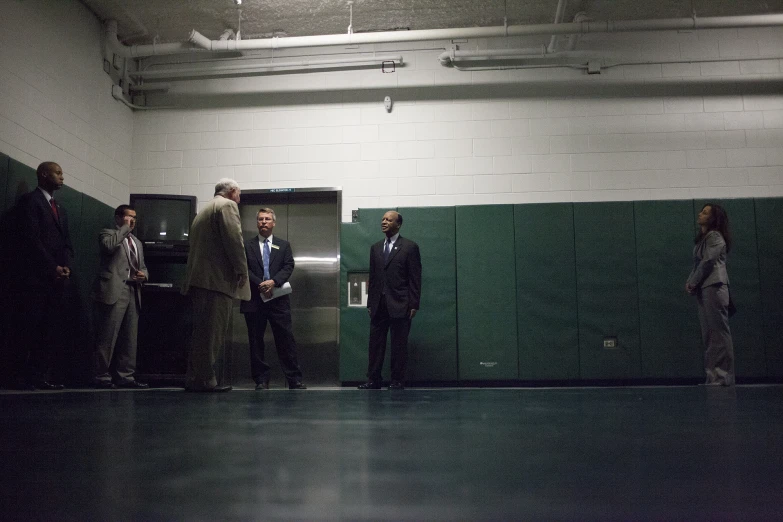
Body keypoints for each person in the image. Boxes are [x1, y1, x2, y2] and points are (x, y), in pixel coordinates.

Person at [5, 162, 73, 390]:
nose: (62, 177)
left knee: (48, 330)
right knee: (28, 327)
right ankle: (18, 377)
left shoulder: (60, 208)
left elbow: (66, 242)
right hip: (34, 279)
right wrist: (52, 267)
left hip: (55, 280)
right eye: (58, 173)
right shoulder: (30, 202)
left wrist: (65, 266)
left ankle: (38, 376)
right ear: (44, 175)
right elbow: (31, 240)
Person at [181, 178, 250, 392]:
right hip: (216, 281)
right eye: (238, 194)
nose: (239, 199)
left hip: (199, 280)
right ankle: (206, 379)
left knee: (200, 332)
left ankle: (193, 377)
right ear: (231, 192)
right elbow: (234, 240)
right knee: (212, 333)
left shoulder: (204, 210)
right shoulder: (227, 206)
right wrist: (241, 270)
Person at [240, 208, 306, 390]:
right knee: (255, 341)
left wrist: (273, 282)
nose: (263, 222)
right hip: (254, 300)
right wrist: (261, 284)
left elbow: (288, 265)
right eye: (260, 219)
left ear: (273, 223)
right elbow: (244, 269)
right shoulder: (247, 245)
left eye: (267, 219)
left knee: (286, 340)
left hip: (278, 300)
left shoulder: (283, 245)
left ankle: (294, 379)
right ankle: (261, 380)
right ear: (257, 223)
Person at [359, 210, 421, 390]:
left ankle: (397, 380)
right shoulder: (376, 248)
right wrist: (370, 303)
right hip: (379, 304)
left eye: (388, 219)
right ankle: (373, 379)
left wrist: (414, 303)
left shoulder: (409, 247)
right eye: (383, 219)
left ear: (398, 224)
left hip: (401, 304)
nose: (384, 222)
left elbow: (415, 278)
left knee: (399, 344)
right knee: (375, 344)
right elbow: (373, 278)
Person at [91, 205, 149, 389]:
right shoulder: (107, 234)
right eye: (128, 217)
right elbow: (109, 247)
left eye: (134, 217)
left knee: (129, 338)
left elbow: (143, 266)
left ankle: (126, 376)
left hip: (134, 290)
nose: (132, 220)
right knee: (108, 336)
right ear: (118, 218)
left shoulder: (137, 243)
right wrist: (124, 229)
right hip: (114, 290)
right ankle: (101, 376)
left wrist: (144, 275)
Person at [686, 203, 735, 387]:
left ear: (713, 218)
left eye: (705, 212)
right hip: (704, 288)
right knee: (709, 334)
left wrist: (693, 282)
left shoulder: (715, 236)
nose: (700, 214)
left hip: (714, 286)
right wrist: (691, 281)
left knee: (719, 333)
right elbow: (698, 264)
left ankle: (723, 377)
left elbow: (708, 263)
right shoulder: (703, 239)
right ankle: (713, 377)